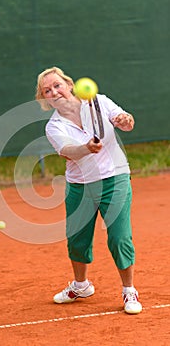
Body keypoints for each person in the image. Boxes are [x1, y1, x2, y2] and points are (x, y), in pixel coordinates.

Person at [35, 66, 142, 315]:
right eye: (47, 91)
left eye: (57, 85)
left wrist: (125, 120)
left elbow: (125, 122)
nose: (54, 92)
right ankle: (81, 286)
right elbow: (68, 151)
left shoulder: (99, 102)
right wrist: (85, 148)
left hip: (114, 179)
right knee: (77, 240)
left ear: (69, 85)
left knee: (119, 237)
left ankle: (129, 290)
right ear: (45, 100)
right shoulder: (53, 127)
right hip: (80, 186)